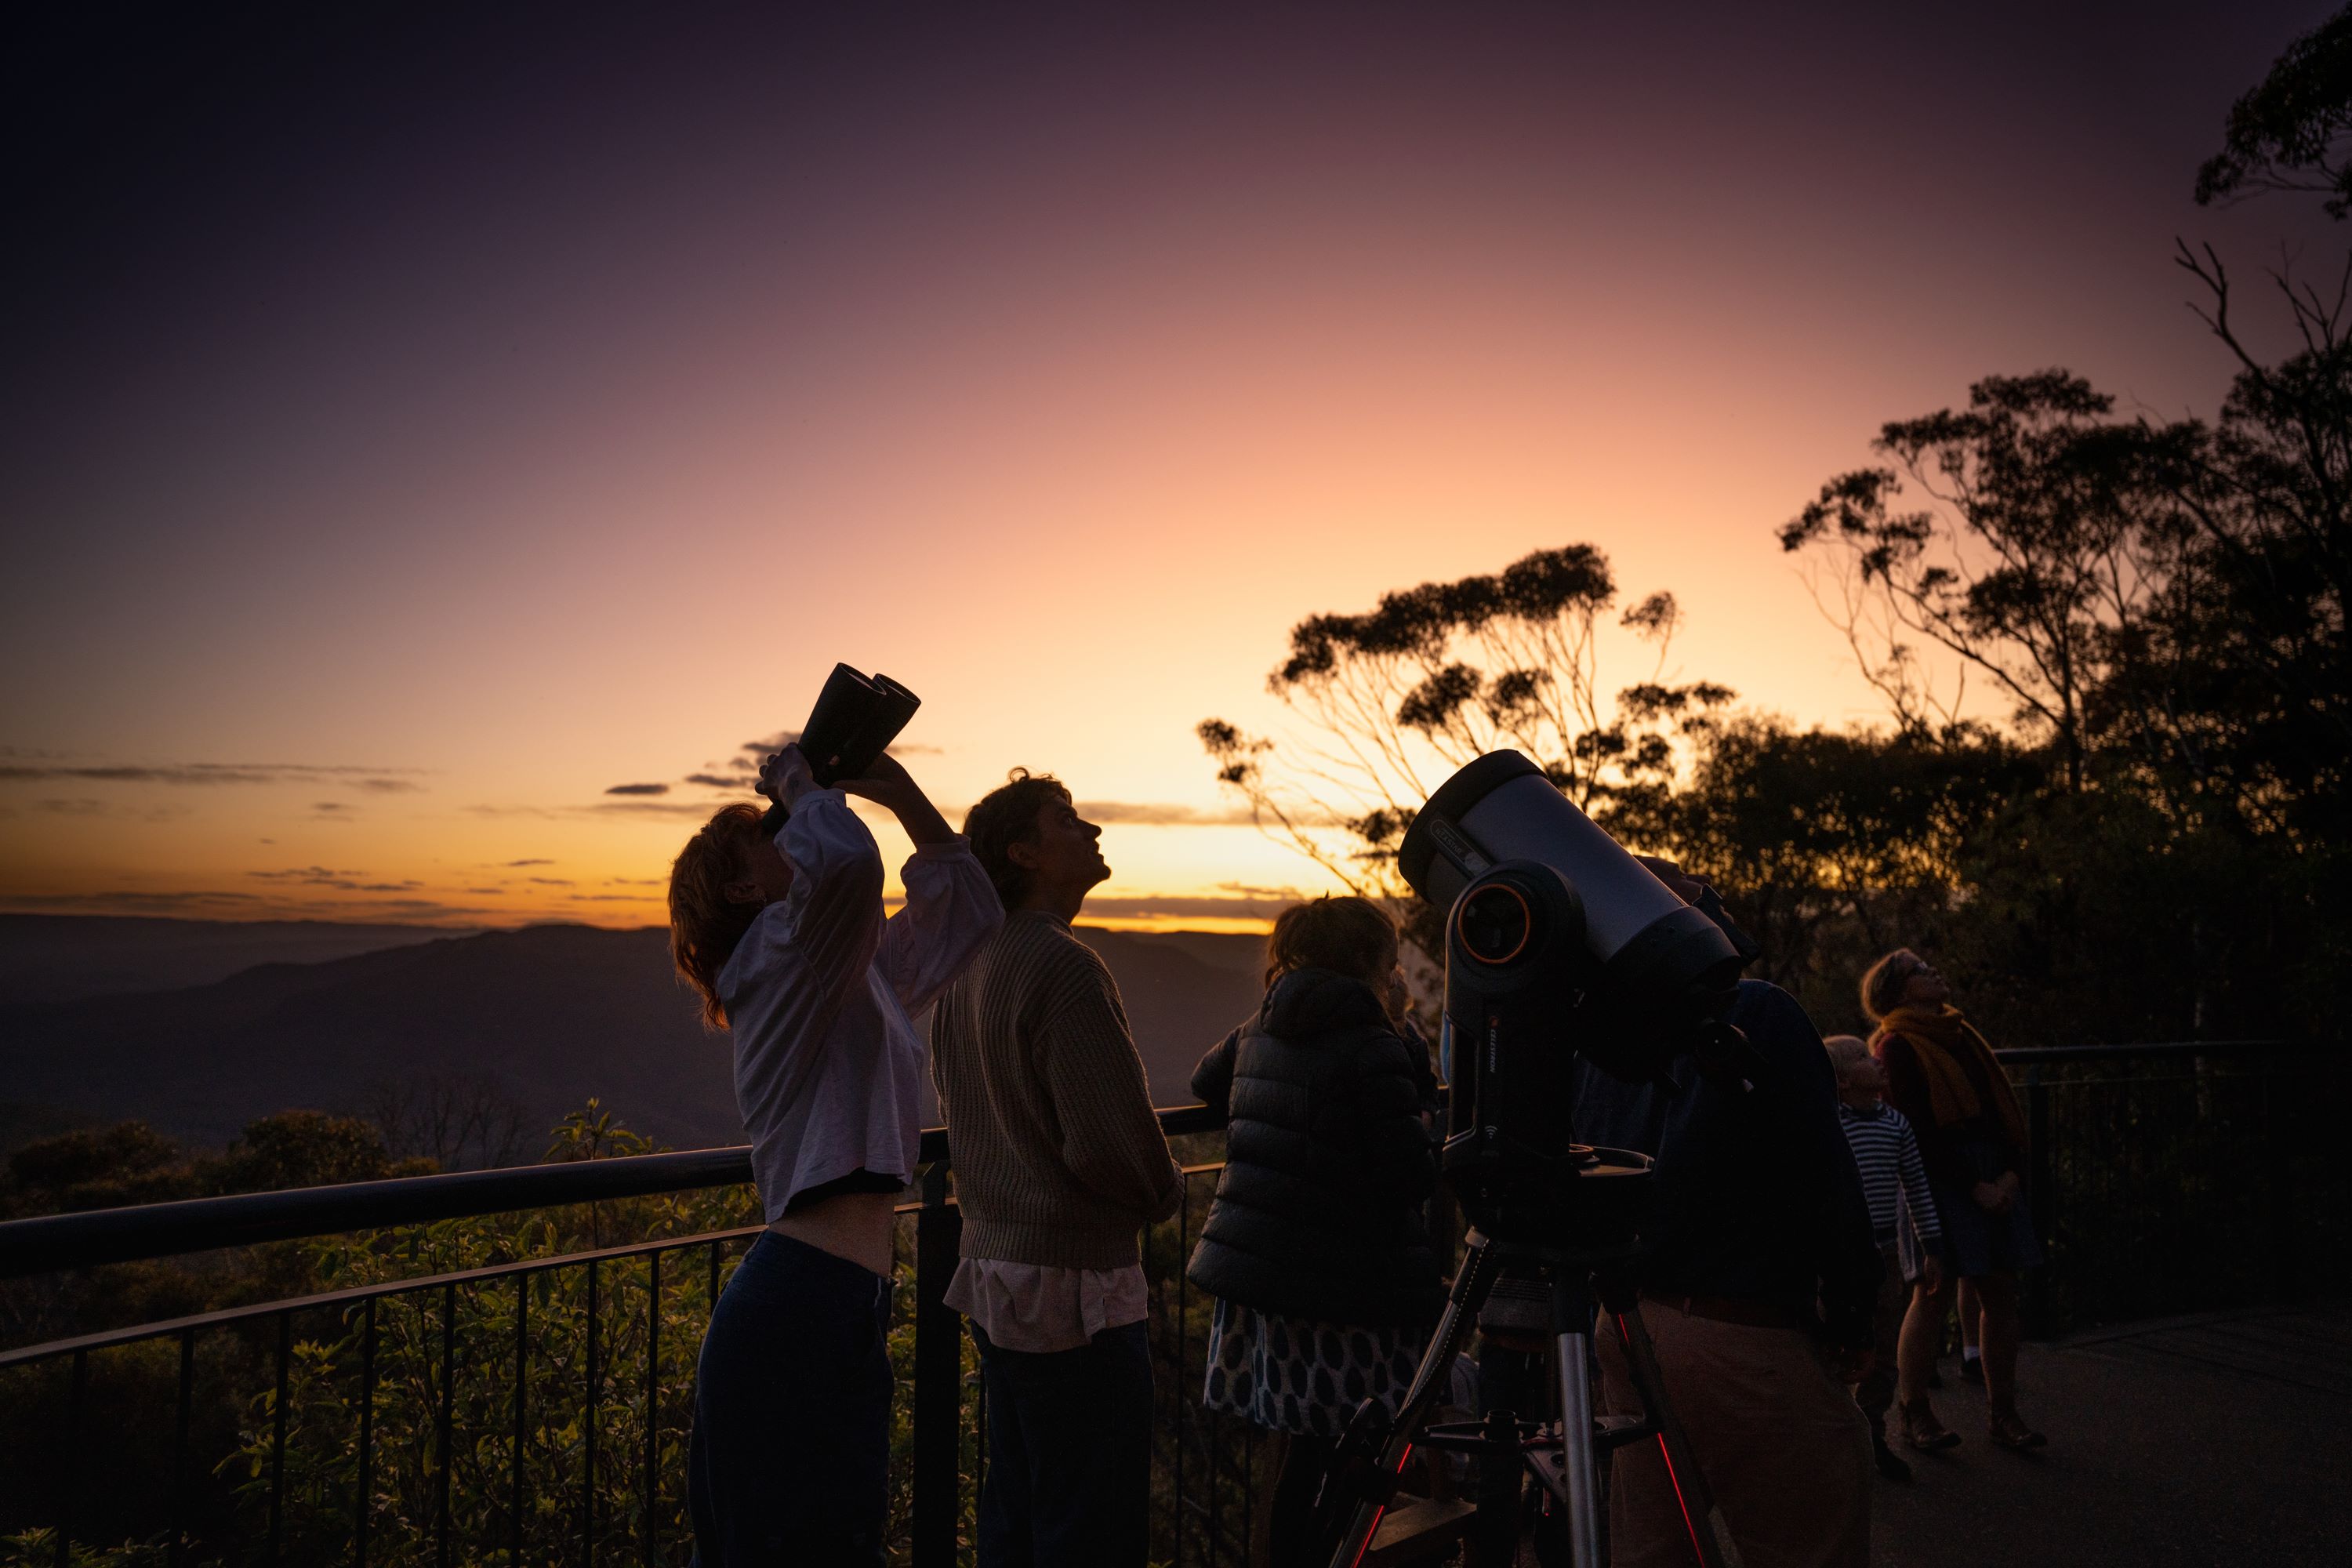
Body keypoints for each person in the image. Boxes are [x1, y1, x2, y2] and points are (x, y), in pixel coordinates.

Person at [668, 745, 1000, 1566]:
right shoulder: (774, 957)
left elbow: (969, 914)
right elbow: (849, 864)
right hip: (798, 1304)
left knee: (836, 1539)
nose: (790, 830)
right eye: (769, 836)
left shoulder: (843, 967)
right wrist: (798, 784)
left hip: (842, 1299)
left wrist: (900, 790)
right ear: (744, 890)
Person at [1578, 859, 1882, 1568]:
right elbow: (1824, 1175)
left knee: (1656, 1547)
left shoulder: (1592, 1040)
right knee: (1810, 1542)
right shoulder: (1760, 1012)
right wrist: (1853, 1316)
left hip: (1629, 1325)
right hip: (1743, 1334)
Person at [929, 770, 1185, 1568]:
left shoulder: (967, 967)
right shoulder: (1063, 965)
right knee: (1091, 1522)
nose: (1092, 830)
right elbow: (1110, 1143)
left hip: (994, 1272)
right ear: (1023, 853)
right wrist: (1165, 1192)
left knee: (1018, 1504)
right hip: (1074, 1290)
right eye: (1068, 821)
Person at [1185, 897, 1444, 1568]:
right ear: (1374, 962)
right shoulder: (1372, 1042)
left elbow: (1205, 1081)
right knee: (1360, 1448)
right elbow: (1409, 1175)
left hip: (1271, 1280)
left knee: (1306, 1453)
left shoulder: (1263, 1023)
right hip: (1351, 1288)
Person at [1862, 949, 2047, 1452]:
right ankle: (1914, 1412)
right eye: (1920, 971)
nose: (1934, 972)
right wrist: (1975, 1185)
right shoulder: (1896, 1048)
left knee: (2000, 1292)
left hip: (1990, 1172)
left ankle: (2003, 1412)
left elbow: (1998, 1111)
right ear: (1899, 990)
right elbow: (1918, 1131)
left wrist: (2009, 1175)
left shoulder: (1963, 1038)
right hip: (1937, 1180)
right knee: (1932, 1293)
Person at [1823, 1033, 1944, 1482]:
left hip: (1885, 1253)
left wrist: (1931, 1247)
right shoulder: (1832, 1125)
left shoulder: (1896, 1124)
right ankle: (1836, 1434)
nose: (1874, 1060)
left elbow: (1916, 1188)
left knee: (1885, 1345)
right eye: (1860, 1057)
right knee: (1833, 1344)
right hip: (1840, 1254)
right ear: (1841, 1081)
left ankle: (1871, 1429)